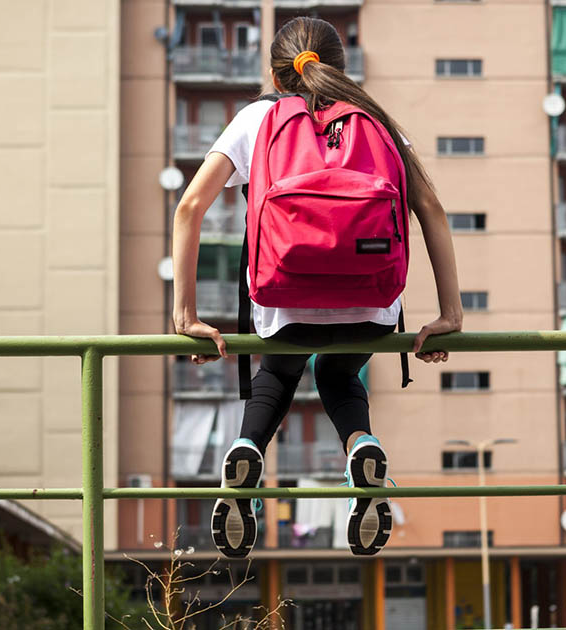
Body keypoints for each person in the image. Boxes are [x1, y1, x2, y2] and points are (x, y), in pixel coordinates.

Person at [171, 16, 463, 559]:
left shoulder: (258, 118)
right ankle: (362, 449)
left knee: (277, 375)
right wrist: (451, 314)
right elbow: (431, 209)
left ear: (276, 75)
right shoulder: (375, 119)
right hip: (370, 301)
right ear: (341, 67)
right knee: (338, 373)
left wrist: (185, 315)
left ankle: (247, 450)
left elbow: (189, 207)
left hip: (285, 296)